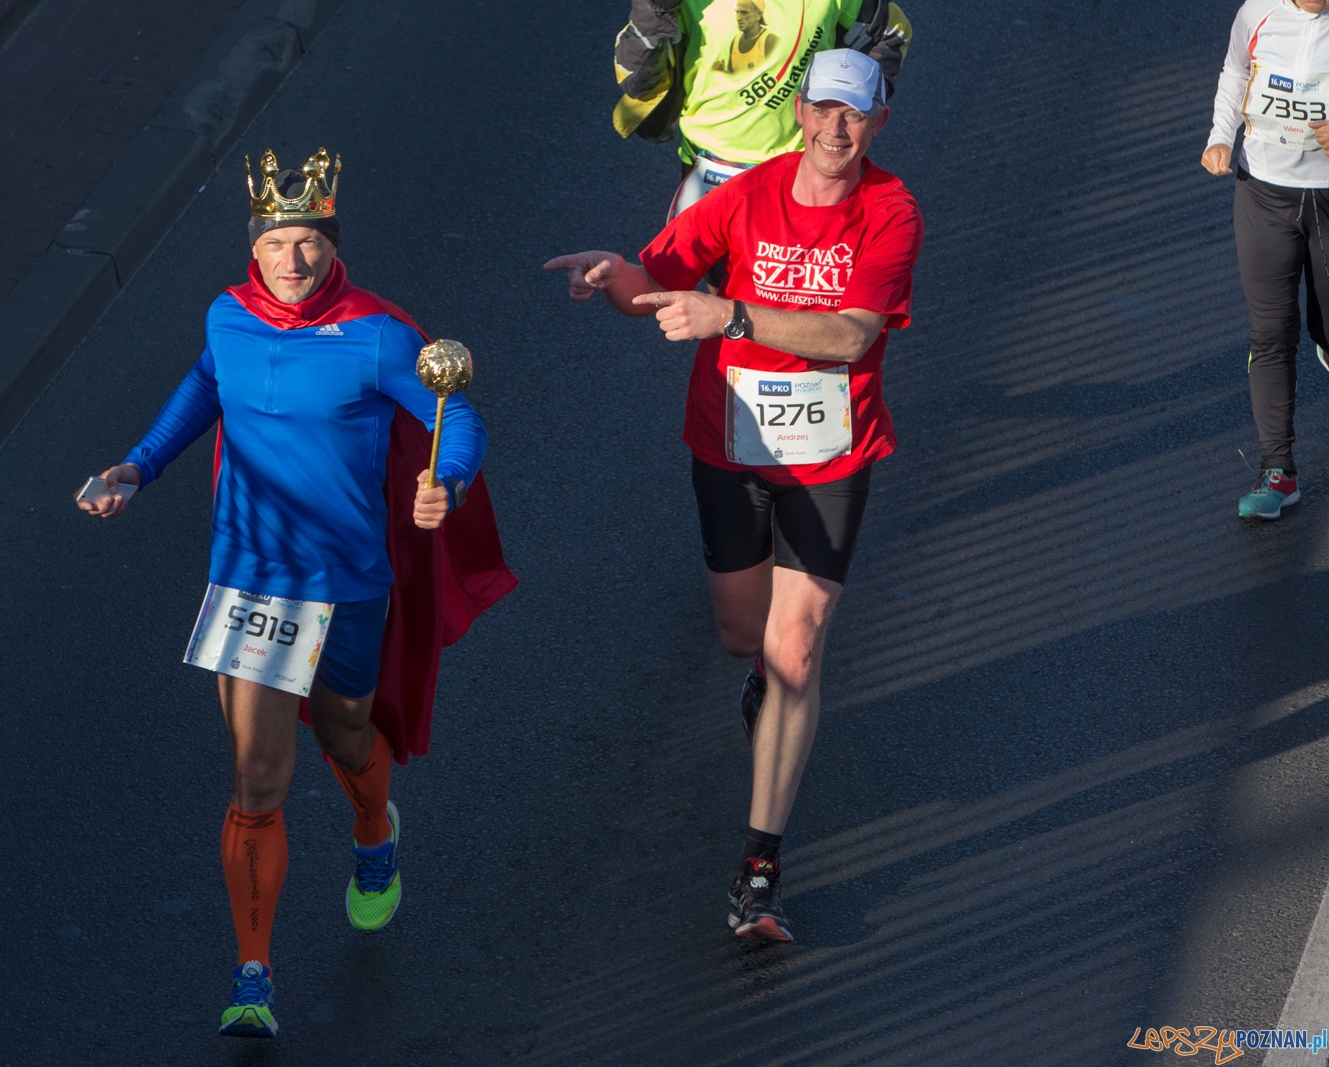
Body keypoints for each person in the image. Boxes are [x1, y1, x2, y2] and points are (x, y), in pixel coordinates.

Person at [79, 148, 515, 1036]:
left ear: (331, 243)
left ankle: (373, 829)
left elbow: (454, 417)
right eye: (279, 240)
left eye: (310, 240)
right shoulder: (227, 317)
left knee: (347, 730)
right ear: (256, 243)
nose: (293, 257)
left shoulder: (381, 335)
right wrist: (139, 462)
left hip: (348, 581)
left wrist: (451, 481)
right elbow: (206, 384)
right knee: (256, 777)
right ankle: (253, 975)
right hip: (251, 577)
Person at [546, 50, 921, 942]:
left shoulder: (891, 211)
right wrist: (613, 281)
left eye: (855, 116)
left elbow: (849, 332)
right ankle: (763, 677)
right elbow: (656, 282)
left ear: (877, 124)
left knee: (798, 651)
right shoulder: (750, 195)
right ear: (799, 111)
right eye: (824, 110)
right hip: (732, 446)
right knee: (742, 636)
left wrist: (736, 316)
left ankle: (759, 870)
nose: (837, 130)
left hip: (831, 458)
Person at [612, 0, 913, 222]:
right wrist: (654, 10)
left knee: (791, 296)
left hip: (797, 169)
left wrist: (852, 107)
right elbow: (638, 82)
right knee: (719, 299)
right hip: (708, 167)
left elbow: (890, 33)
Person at [1204, 0, 1329, 519]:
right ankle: (1278, 472)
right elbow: (1236, 71)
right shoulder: (1255, 12)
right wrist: (1219, 136)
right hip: (1263, 193)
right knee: (1272, 335)